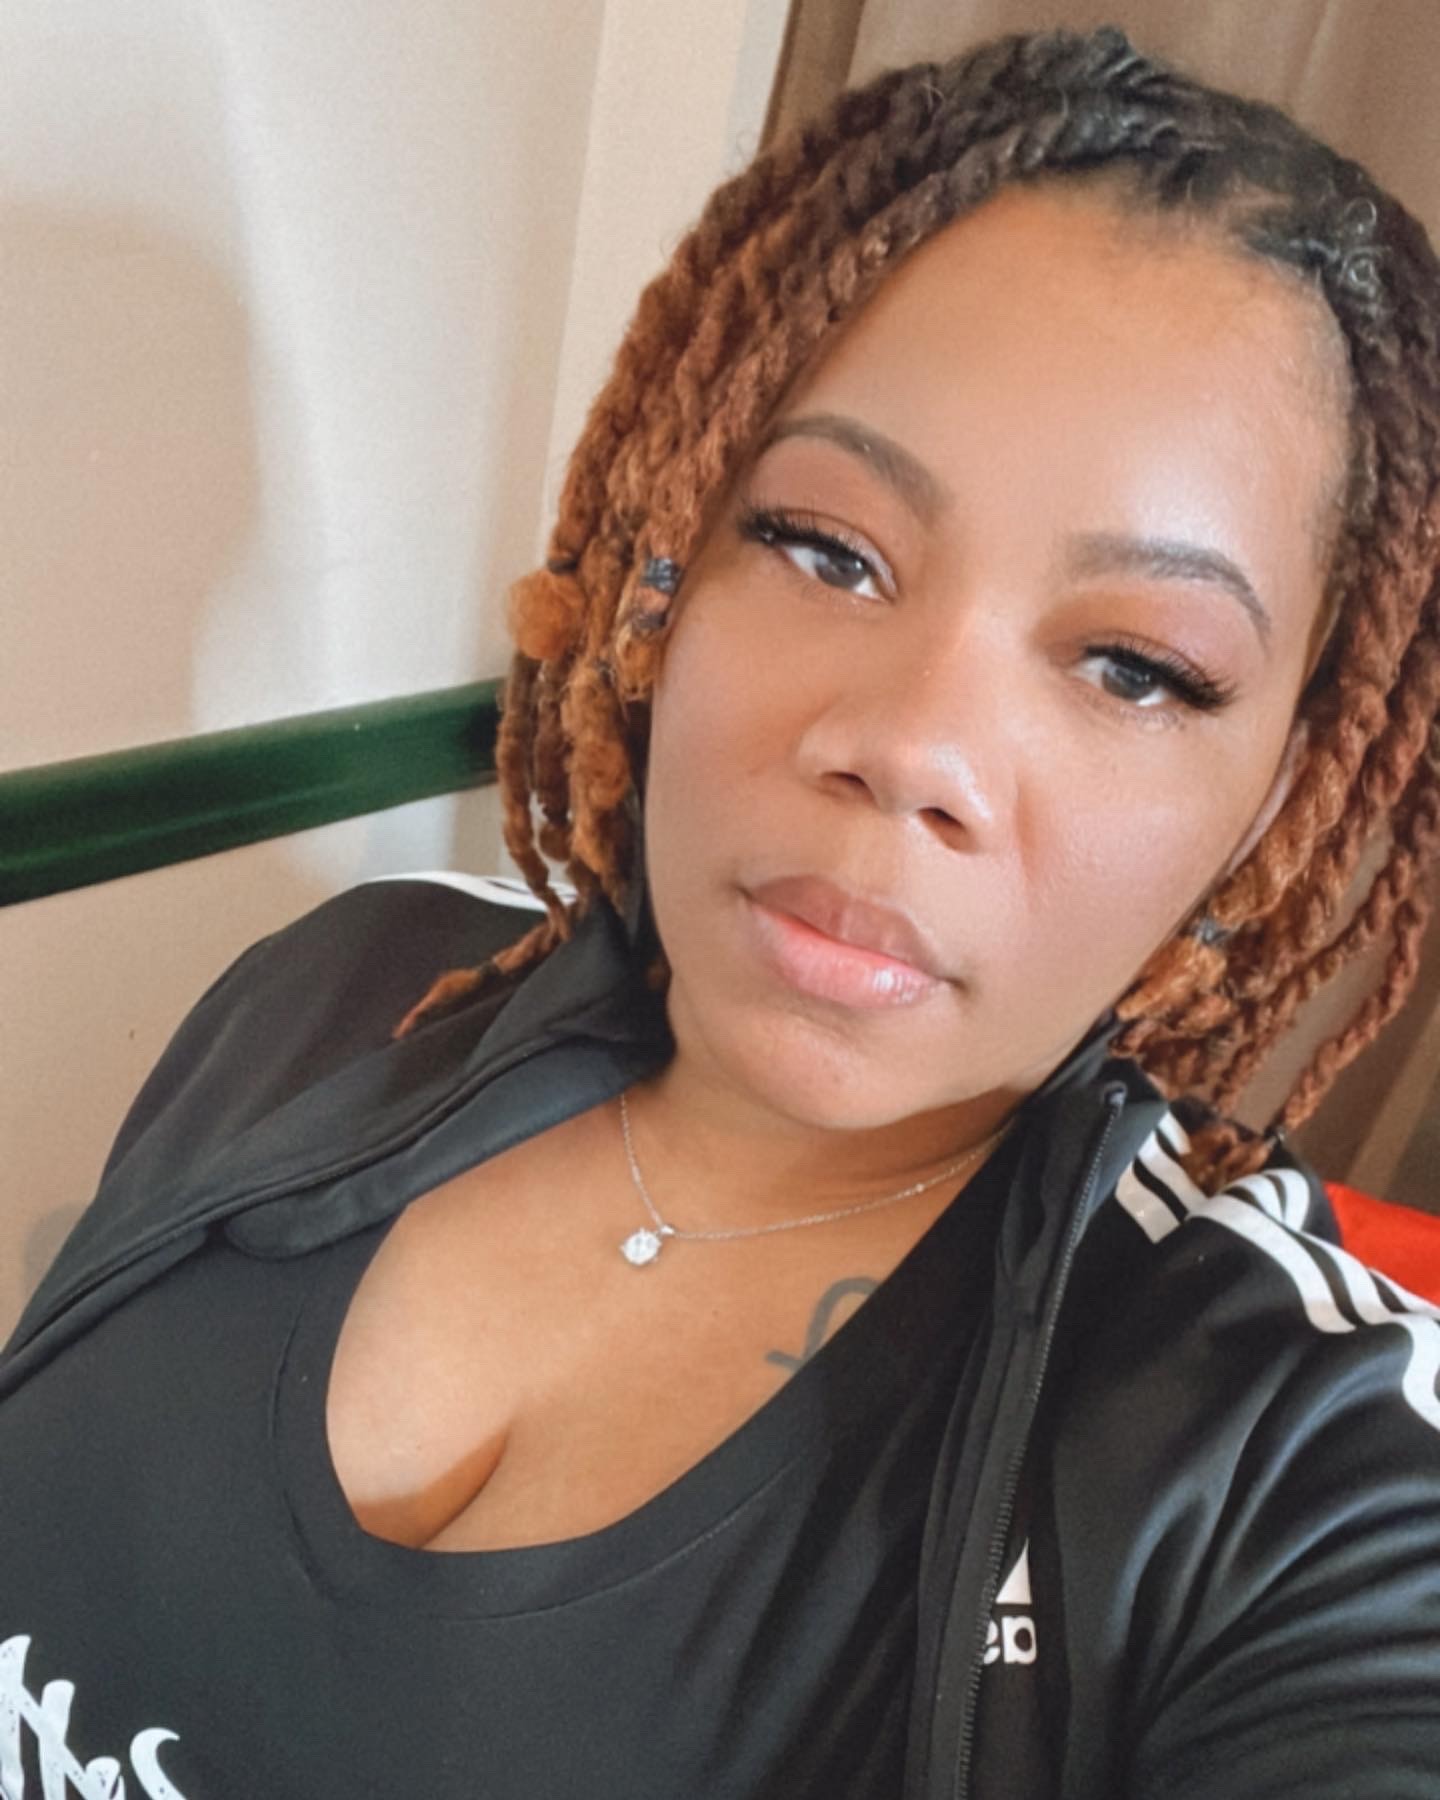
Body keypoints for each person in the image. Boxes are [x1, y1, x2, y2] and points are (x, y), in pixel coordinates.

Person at [3, 22, 1439, 1799]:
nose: (908, 747)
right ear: (668, 555)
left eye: (1135, 667)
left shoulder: (1284, 1472)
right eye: (827, 548)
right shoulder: (339, 988)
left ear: (1274, 814)